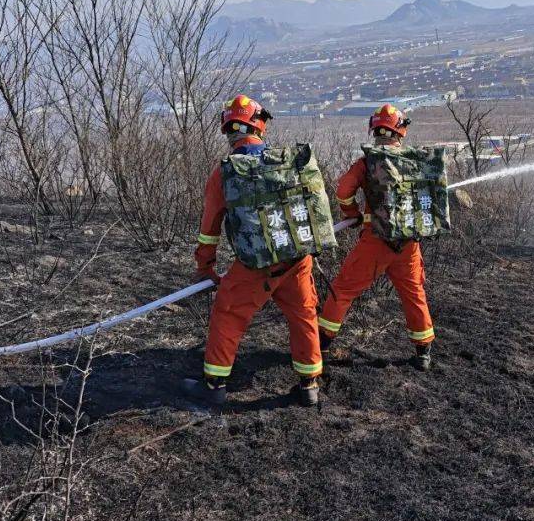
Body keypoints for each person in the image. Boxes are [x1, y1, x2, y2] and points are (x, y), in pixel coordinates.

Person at [182, 95, 328, 406]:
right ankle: (309, 384)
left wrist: (205, 267)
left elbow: (210, 229)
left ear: (229, 131)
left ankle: (214, 387)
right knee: (303, 314)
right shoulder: (283, 163)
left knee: (228, 312)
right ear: (260, 127)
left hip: (255, 264)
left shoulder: (226, 173)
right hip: (295, 258)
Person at [318, 104, 444, 371]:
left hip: (375, 242)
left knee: (343, 290)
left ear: (374, 130)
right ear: (401, 131)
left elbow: (343, 190)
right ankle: (423, 351)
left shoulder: (368, 162)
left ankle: (321, 343)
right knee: (413, 293)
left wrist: (351, 212)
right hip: (408, 243)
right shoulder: (414, 161)